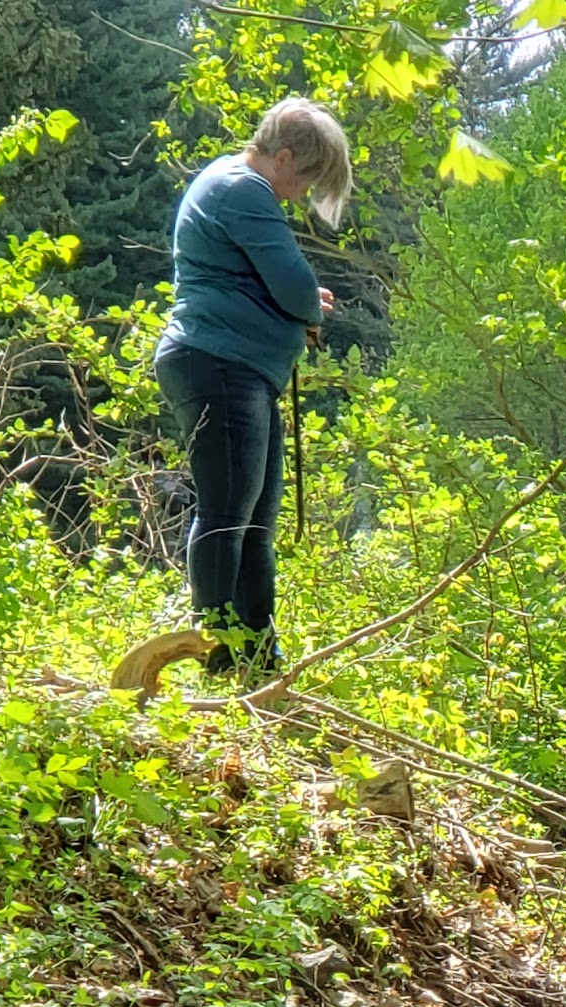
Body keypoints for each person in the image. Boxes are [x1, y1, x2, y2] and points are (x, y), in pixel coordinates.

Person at [154, 99, 353, 677]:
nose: (300, 194)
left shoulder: (229, 182)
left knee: (254, 522)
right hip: (220, 363)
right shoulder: (245, 190)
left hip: (234, 366)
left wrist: (301, 302)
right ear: (283, 157)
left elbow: (270, 282)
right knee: (227, 515)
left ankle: (258, 660)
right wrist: (304, 304)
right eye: (305, 179)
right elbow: (291, 283)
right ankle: (219, 656)